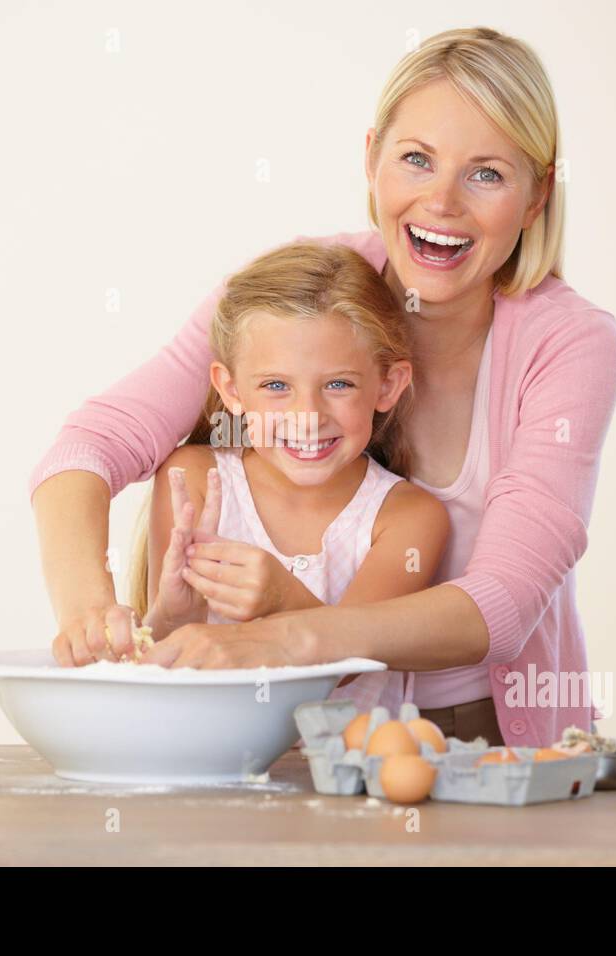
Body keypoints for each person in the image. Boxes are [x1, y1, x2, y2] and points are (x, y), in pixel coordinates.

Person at [28, 27, 616, 747]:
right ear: (372, 160)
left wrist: (285, 636)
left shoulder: (569, 344)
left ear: (536, 198)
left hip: (483, 734)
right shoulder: (305, 293)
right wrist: (90, 605)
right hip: (273, 721)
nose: (442, 202)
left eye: (487, 174)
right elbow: (88, 447)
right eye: (416, 160)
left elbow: (498, 609)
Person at [132, 241, 449, 711]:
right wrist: (171, 614)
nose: (307, 415)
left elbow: (349, 667)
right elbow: (160, 657)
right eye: (276, 386)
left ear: (387, 385)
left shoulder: (407, 517)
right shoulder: (194, 478)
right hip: (211, 763)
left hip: (342, 772)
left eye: (338, 384)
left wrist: (284, 597)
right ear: (232, 390)